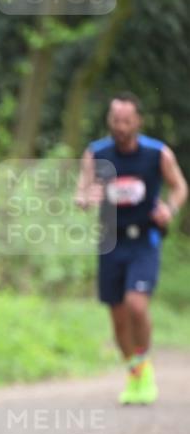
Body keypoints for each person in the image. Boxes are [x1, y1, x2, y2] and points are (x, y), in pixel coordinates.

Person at [75, 92, 187, 404]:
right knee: (118, 317)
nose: (120, 126)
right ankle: (134, 373)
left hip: (144, 240)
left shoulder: (157, 153)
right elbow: (81, 193)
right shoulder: (96, 153)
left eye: (126, 120)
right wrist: (87, 199)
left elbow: (180, 186)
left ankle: (145, 364)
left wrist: (170, 209)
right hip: (111, 241)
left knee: (136, 305)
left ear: (138, 121)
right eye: (115, 120)